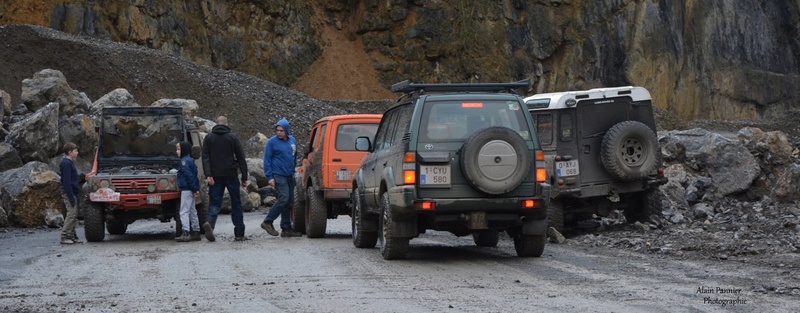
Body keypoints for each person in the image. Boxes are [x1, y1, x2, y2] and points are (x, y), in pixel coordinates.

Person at [201, 116, 249, 242]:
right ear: (227, 124)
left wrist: (208, 174)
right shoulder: (232, 137)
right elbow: (241, 157)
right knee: (236, 202)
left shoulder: (209, 138)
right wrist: (244, 176)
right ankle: (239, 232)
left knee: (214, 202)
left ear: (216, 124)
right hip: (231, 174)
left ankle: (210, 224)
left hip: (215, 176)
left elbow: (205, 157)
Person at [260, 118, 302, 237]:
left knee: (289, 202)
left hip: (289, 174)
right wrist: (269, 176)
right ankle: (268, 221)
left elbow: (294, 155)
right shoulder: (272, 142)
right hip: (278, 174)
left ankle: (286, 228)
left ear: (286, 131)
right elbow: (267, 160)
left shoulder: (292, 140)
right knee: (284, 198)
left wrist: (295, 168)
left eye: (281, 130)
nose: (279, 132)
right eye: (277, 130)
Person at [176, 141, 201, 242]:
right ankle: (196, 231)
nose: (176, 151)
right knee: (192, 210)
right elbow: (194, 176)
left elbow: (189, 176)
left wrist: (193, 188)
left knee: (184, 211)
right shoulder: (190, 160)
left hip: (186, 189)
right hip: (191, 188)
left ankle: (186, 232)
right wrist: (195, 189)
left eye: (178, 149)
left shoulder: (183, 162)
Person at [59, 142, 83, 245]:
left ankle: (72, 235)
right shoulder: (66, 164)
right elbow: (66, 182)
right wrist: (71, 197)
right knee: (71, 214)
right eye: (75, 151)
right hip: (69, 192)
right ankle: (65, 235)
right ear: (69, 152)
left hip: (73, 192)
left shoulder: (70, 163)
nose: (77, 153)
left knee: (74, 214)